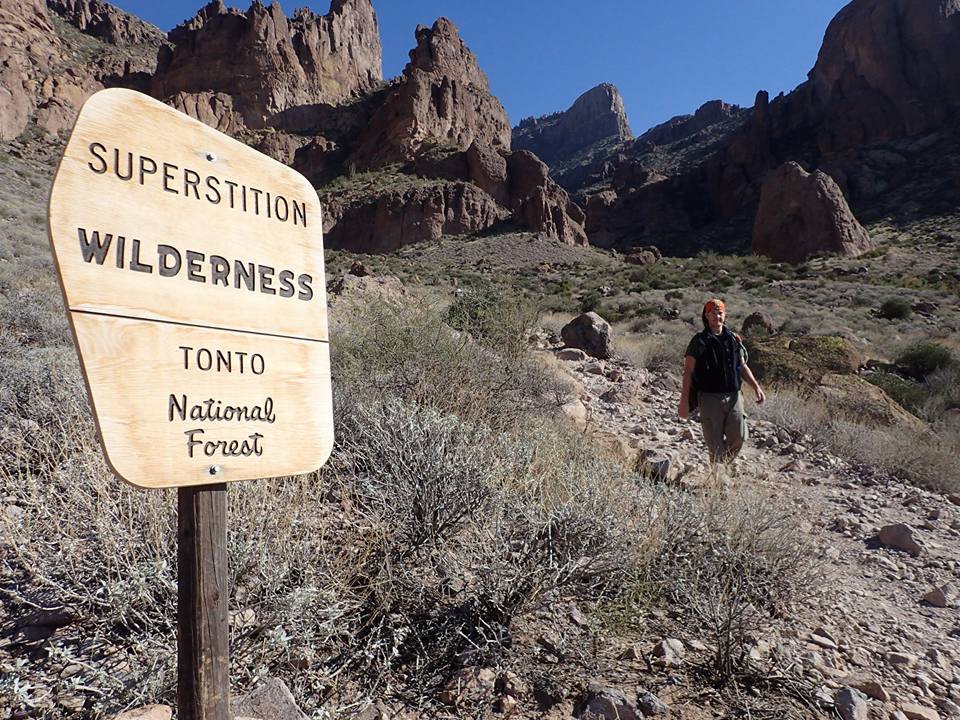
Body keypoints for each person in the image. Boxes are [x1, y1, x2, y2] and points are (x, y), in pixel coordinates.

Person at [678, 298, 765, 466]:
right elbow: (688, 372)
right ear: (706, 316)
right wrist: (684, 402)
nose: (717, 317)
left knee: (739, 437)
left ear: (725, 315)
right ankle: (718, 481)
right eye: (712, 313)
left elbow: (742, 366)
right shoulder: (699, 341)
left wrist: (756, 387)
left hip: (734, 396)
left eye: (720, 313)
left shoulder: (733, 339)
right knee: (715, 445)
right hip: (709, 399)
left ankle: (722, 466)